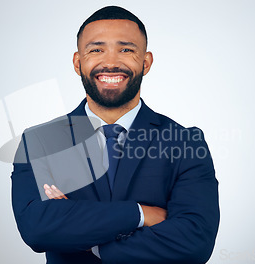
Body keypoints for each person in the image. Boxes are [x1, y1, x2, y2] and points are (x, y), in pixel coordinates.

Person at [11, 6, 219, 264]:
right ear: (78, 62)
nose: (110, 63)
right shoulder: (39, 142)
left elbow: (194, 241)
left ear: (146, 62)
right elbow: (38, 229)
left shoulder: (185, 143)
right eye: (96, 50)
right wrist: (140, 214)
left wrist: (91, 243)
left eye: (126, 50)